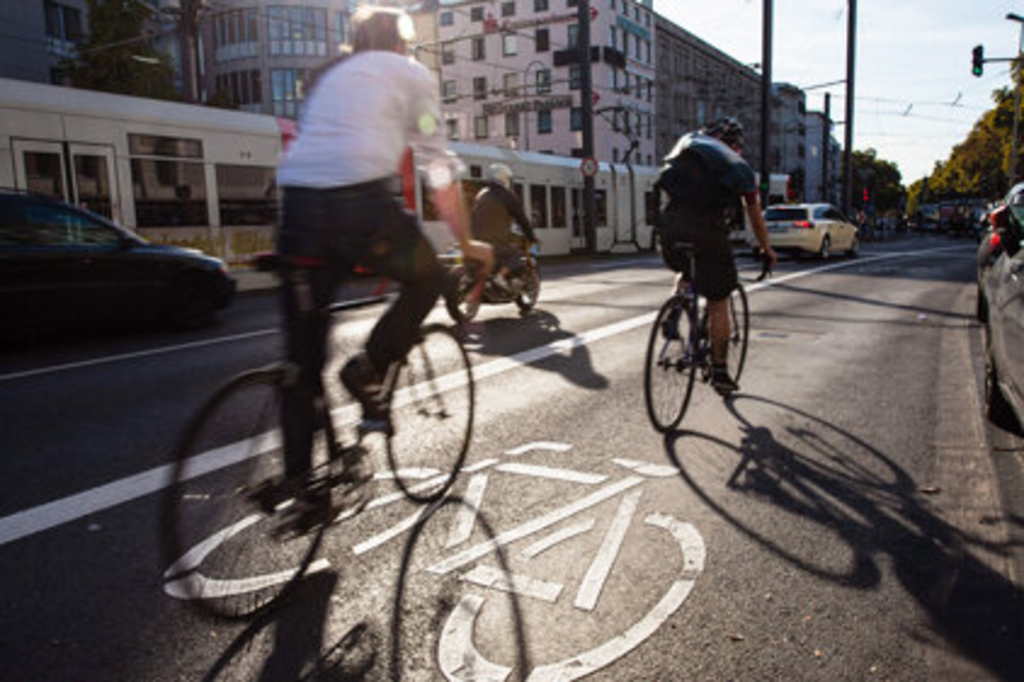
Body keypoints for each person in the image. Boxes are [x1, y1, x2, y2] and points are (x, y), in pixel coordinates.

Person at [274, 7, 494, 500]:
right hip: (359, 206)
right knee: (428, 277)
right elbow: (438, 168)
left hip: (297, 212)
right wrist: (466, 243)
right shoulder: (408, 73)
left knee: (301, 366)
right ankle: (368, 367)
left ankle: (299, 487)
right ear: (400, 44)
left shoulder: (325, 75)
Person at [655, 116, 776, 395]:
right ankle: (720, 371)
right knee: (718, 301)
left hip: (670, 229)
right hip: (708, 233)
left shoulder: (685, 146)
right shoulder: (738, 166)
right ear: (736, 144)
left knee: (685, 270)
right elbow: (755, 217)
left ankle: (674, 311)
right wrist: (766, 248)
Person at [470, 163, 537, 292]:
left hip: (475, 241)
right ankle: (500, 276)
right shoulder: (507, 195)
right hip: (494, 242)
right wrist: (531, 237)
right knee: (516, 255)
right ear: (504, 178)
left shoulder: (481, 194)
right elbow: (522, 219)